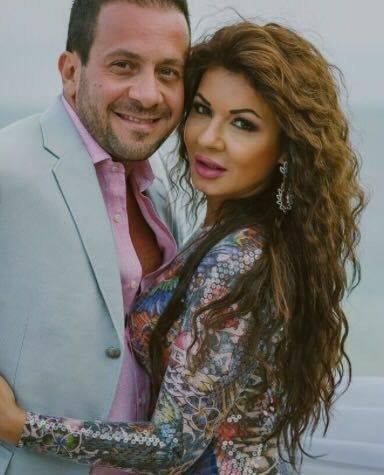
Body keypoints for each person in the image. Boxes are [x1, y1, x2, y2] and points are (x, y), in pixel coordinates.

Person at [0, 21, 366, 474]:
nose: (209, 138)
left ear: (285, 149)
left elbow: (173, 444)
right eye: (202, 110)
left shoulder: (239, 258)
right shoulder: (220, 231)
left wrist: (18, 425)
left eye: (243, 124)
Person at [0, 1, 192, 474]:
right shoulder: (8, 167)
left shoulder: (157, 194)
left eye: (168, 72)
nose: (147, 94)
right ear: (71, 71)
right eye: (124, 65)